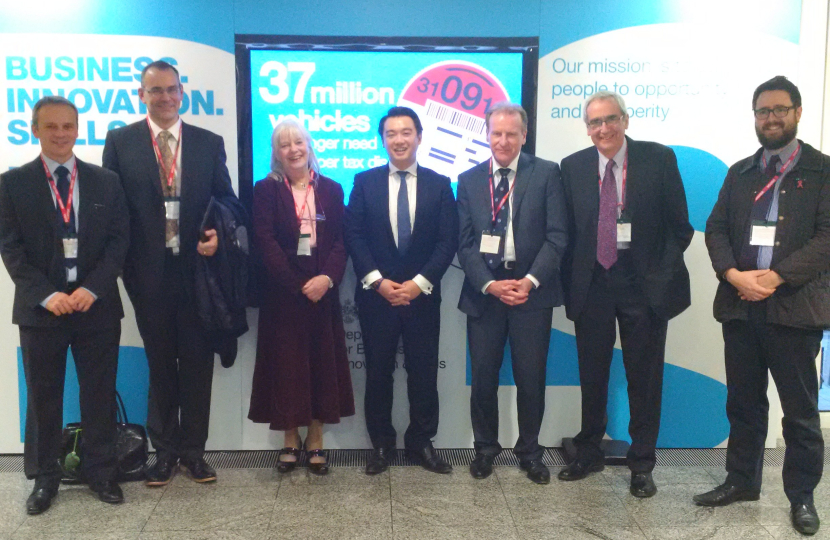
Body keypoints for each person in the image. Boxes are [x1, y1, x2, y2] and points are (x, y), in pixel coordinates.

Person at [695, 76, 829, 536]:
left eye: (779, 109)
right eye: (762, 111)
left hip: (794, 308)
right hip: (740, 306)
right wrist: (733, 274)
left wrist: (776, 277)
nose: (771, 118)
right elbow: (716, 229)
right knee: (744, 404)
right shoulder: (740, 172)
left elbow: (827, 238)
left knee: (800, 413)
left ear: (797, 112)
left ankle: (802, 496)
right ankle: (741, 481)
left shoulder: (822, 170)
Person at [102, 60, 237, 486]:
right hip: (147, 276)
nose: (165, 97)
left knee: (197, 365)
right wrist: (125, 269)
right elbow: (111, 211)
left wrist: (217, 235)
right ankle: (164, 453)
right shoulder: (120, 142)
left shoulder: (207, 143)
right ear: (141, 95)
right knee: (159, 365)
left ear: (182, 93)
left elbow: (229, 202)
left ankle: (194, 453)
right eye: (155, 90)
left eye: (171, 89)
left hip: (198, 274)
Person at [557, 91, 693, 497]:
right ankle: (588, 453)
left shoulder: (658, 159)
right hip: (592, 288)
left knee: (644, 380)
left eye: (610, 119)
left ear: (626, 120)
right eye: (595, 122)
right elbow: (567, 233)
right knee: (592, 376)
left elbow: (680, 228)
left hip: (643, 288)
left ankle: (642, 464)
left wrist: (657, 278)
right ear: (587, 128)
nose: (603, 129)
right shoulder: (572, 166)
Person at [0, 96, 129, 513]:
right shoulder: (12, 183)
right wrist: (46, 294)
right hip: (41, 311)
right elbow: (10, 247)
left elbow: (119, 241)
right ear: (34, 129)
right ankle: (45, 479)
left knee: (99, 394)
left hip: (96, 307)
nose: (60, 134)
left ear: (77, 130)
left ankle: (102, 473)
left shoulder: (106, 181)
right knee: (43, 398)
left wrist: (93, 288)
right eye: (51, 126)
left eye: (67, 126)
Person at [456, 102, 567, 484]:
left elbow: (557, 236)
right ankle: (485, 448)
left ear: (524, 135)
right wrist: (489, 284)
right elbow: (465, 244)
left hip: (531, 294)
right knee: (483, 378)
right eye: (496, 133)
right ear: (487, 134)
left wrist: (530, 280)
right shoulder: (469, 180)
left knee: (531, 379)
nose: (503, 141)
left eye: (511, 133)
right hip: (485, 293)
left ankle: (530, 453)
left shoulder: (547, 173)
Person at [345, 106, 458, 475]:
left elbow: (447, 241)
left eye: (406, 132)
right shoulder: (364, 182)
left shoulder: (440, 184)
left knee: (423, 373)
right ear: (382, 140)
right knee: (378, 373)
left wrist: (418, 284)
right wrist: (378, 282)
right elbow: (354, 236)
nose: (399, 140)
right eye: (391, 133)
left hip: (421, 297)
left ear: (419, 137)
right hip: (377, 298)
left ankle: (421, 441)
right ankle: (381, 444)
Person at [248, 119, 354, 475]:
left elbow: (341, 241)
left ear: (309, 146)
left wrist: (326, 279)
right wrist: (297, 284)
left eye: (298, 142)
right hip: (283, 296)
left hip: (323, 292)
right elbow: (265, 242)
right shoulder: (266, 190)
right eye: (284, 144)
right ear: (276, 153)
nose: (293, 150)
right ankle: (290, 439)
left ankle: (316, 438)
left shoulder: (332, 189)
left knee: (322, 364)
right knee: (286, 368)